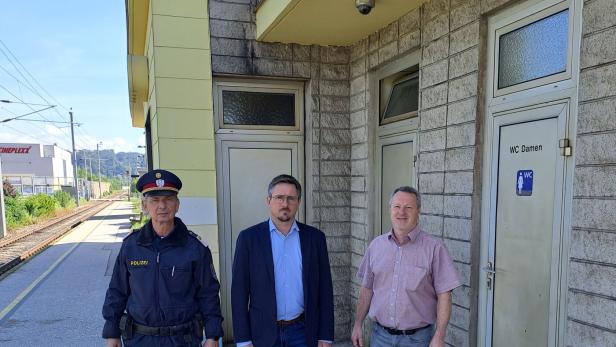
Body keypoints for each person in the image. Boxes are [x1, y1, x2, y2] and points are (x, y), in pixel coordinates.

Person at [102, 169, 223, 347]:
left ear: (177, 204)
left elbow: (208, 294)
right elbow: (117, 291)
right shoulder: (131, 246)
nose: (162, 206)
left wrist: (213, 336)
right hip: (139, 339)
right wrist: (111, 333)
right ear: (145, 206)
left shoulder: (195, 248)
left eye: (168, 199)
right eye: (155, 200)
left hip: (183, 340)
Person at [231, 174, 334, 347]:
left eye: (291, 198)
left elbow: (325, 290)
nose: (285, 204)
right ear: (268, 200)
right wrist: (243, 339)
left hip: (302, 331)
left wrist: (325, 335)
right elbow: (239, 292)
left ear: (299, 202)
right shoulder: (249, 239)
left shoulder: (315, 239)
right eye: (279, 197)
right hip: (262, 334)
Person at [351, 186, 461, 347]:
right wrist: (358, 324)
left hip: (418, 340)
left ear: (418, 211)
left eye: (408, 207)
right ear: (390, 209)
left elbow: (445, 295)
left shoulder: (434, 248)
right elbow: (366, 289)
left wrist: (439, 336)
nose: (401, 212)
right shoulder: (376, 246)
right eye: (397, 207)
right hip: (380, 337)